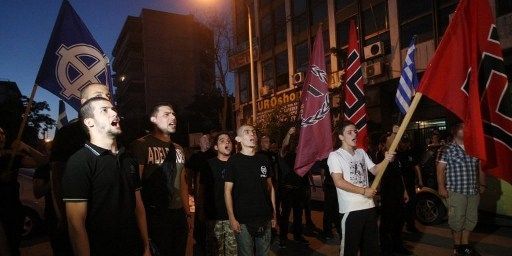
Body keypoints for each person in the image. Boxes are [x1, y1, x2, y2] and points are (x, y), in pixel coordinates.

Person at [62, 97, 150, 256]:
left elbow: (138, 206)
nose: (114, 113)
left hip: (134, 248)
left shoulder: (129, 159)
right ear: (89, 122)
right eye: (105, 110)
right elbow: (76, 224)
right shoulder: (79, 162)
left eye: (114, 109)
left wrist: (146, 247)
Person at [49, 83, 112, 255]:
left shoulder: (113, 134)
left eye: (108, 95)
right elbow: (57, 176)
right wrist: (63, 216)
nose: (106, 98)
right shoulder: (68, 134)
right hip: (79, 220)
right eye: (99, 94)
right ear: (84, 102)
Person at [130, 103, 190, 256]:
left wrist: (187, 213)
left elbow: (182, 181)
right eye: (167, 114)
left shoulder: (179, 148)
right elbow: (135, 186)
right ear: (154, 119)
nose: (173, 117)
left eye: (174, 114)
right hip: (155, 215)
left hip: (178, 215)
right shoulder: (141, 145)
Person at [327, 121, 394, 256]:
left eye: (355, 131)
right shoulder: (335, 156)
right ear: (341, 137)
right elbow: (339, 182)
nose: (354, 134)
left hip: (369, 207)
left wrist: (386, 159)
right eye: (349, 132)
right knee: (349, 250)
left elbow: (375, 170)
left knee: (371, 248)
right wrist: (364, 191)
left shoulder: (361, 152)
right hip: (351, 210)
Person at [225, 125, 276, 256]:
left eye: (253, 132)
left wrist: (274, 213)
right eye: (246, 132)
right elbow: (227, 191)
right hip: (242, 220)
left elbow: (270, 188)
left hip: (264, 217)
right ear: (238, 139)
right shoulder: (233, 161)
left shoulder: (263, 159)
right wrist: (231, 217)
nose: (252, 134)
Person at [437, 123, 486, 256]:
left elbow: (480, 167)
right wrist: (441, 187)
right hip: (456, 191)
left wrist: (482, 184)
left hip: (473, 191)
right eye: (462, 127)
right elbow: (440, 169)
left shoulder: (474, 148)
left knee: (471, 219)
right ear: (455, 131)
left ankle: (465, 245)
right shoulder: (446, 148)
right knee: (457, 220)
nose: (466, 129)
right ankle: (457, 246)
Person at [0, 127, 47, 256]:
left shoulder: (11, 157)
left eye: (2, 133)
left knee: (12, 248)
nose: (0, 136)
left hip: (12, 212)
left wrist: (26, 147)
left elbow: (43, 162)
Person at [197, 132, 237, 255]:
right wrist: (201, 211)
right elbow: (201, 190)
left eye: (229, 140)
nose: (227, 142)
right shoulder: (208, 165)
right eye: (222, 140)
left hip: (234, 218)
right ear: (215, 147)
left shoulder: (237, 164)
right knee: (214, 252)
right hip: (213, 217)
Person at [378, 136, 412, 256]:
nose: (396, 143)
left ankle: (398, 246)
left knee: (399, 221)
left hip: (398, 193)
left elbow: (400, 174)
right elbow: (378, 174)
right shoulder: (381, 155)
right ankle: (385, 248)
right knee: (387, 222)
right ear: (387, 143)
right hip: (387, 194)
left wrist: (405, 191)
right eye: (392, 141)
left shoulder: (397, 156)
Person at [277, 127, 309, 248]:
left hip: (299, 189)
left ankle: (297, 235)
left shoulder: (302, 156)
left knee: (298, 214)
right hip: (287, 189)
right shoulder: (285, 153)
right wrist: (288, 133)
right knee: (285, 215)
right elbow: (284, 144)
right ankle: (283, 238)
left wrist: (305, 189)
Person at [320, 159, 340, 240]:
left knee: (328, 210)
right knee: (335, 209)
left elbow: (322, 173)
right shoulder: (337, 158)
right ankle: (335, 230)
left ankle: (327, 232)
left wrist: (323, 184)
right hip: (335, 186)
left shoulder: (325, 159)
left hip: (329, 186)